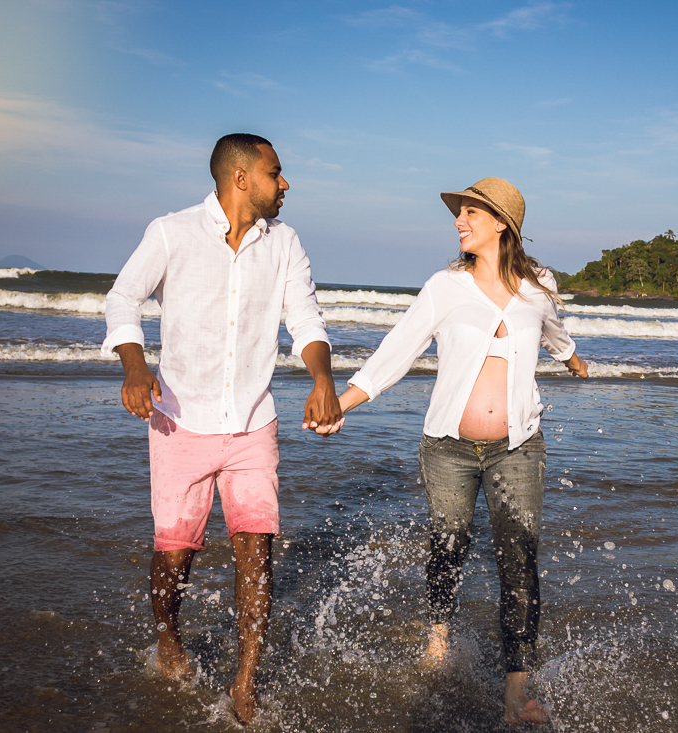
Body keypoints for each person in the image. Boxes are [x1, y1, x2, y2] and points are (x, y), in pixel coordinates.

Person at [101, 133, 343, 724]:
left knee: (257, 548)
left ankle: (245, 681)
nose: (285, 184)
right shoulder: (171, 232)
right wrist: (135, 369)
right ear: (241, 178)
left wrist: (322, 379)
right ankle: (168, 640)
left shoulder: (284, 243)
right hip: (179, 420)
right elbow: (122, 300)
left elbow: (306, 318)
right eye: (276, 173)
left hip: (253, 423)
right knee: (174, 555)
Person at [337, 177, 588, 725]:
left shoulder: (537, 284)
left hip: (517, 448)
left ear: (502, 224)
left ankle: (516, 692)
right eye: (461, 212)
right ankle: (438, 634)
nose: (460, 220)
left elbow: (553, 329)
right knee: (448, 546)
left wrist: (571, 358)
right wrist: (343, 402)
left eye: (472, 212)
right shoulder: (444, 287)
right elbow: (397, 348)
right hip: (448, 447)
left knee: (518, 561)